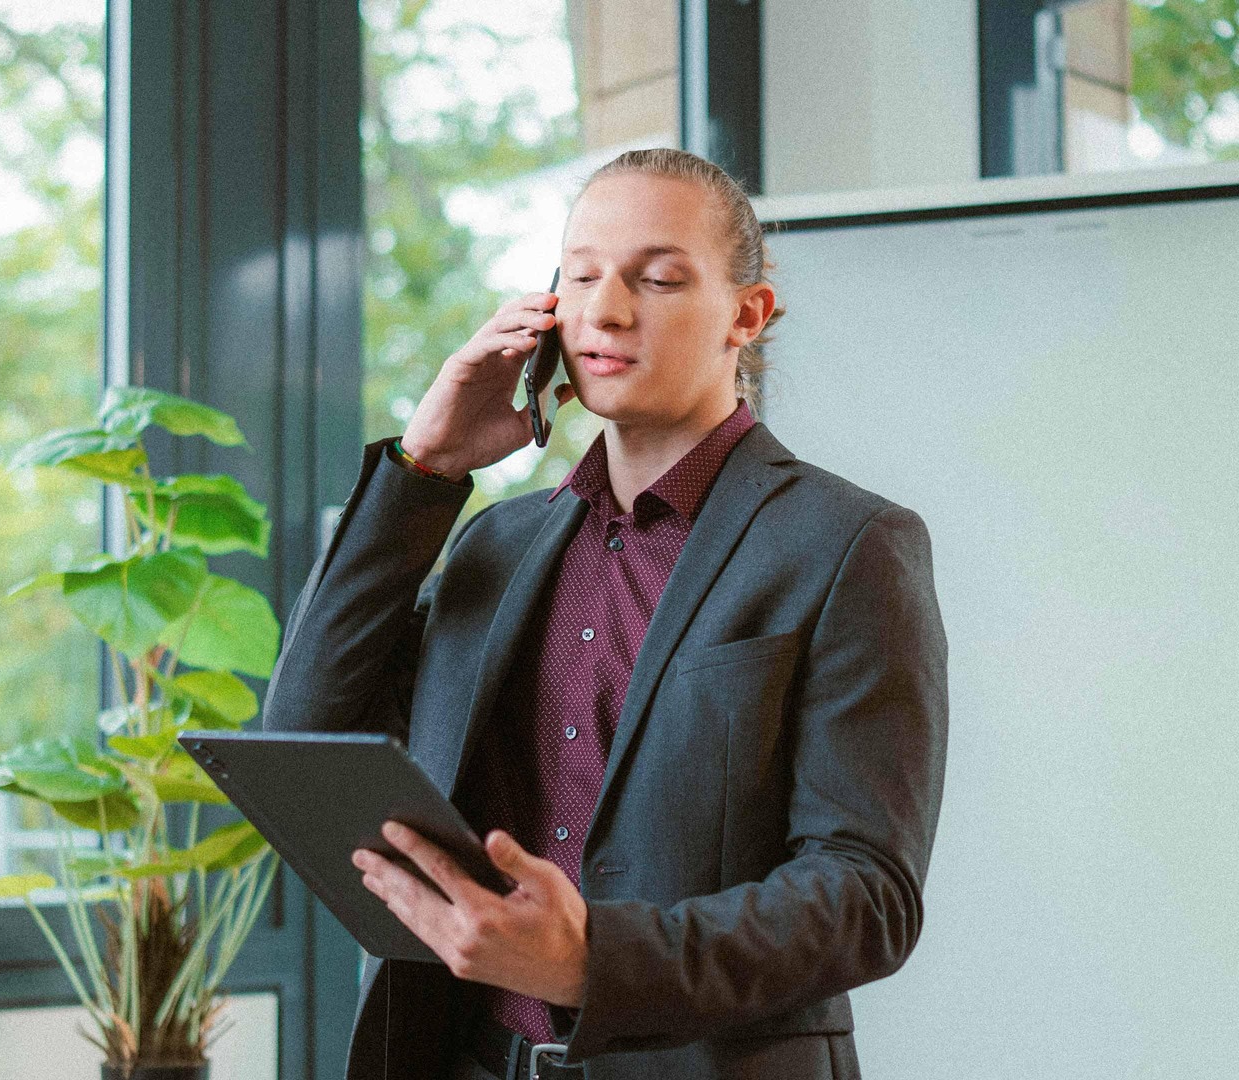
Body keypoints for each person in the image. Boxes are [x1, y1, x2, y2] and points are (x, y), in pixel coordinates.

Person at [260, 147, 949, 1080]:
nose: (608, 309)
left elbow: (867, 896)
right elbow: (310, 732)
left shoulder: (846, 544)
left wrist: (590, 962)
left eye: (659, 279)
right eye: (580, 275)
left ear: (747, 315)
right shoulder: (493, 547)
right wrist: (424, 470)